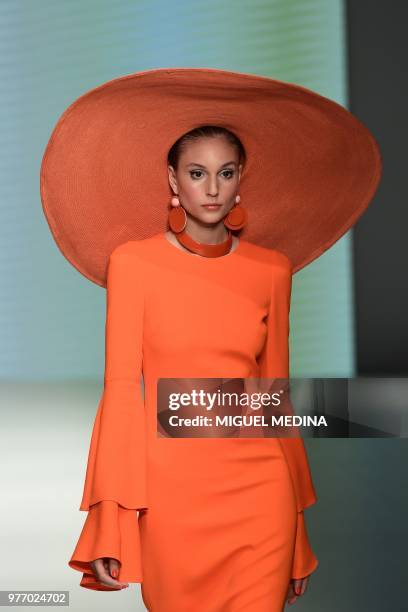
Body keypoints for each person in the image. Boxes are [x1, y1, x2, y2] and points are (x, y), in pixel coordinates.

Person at [40, 68, 382, 611]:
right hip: (173, 497)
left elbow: (275, 400)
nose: (213, 188)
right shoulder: (133, 266)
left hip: (261, 492)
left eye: (225, 173)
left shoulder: (272, 270)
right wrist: (113, 515)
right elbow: (124, 391)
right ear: (173, 181)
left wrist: (297, 532)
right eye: (197, 173)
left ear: (241, 178)